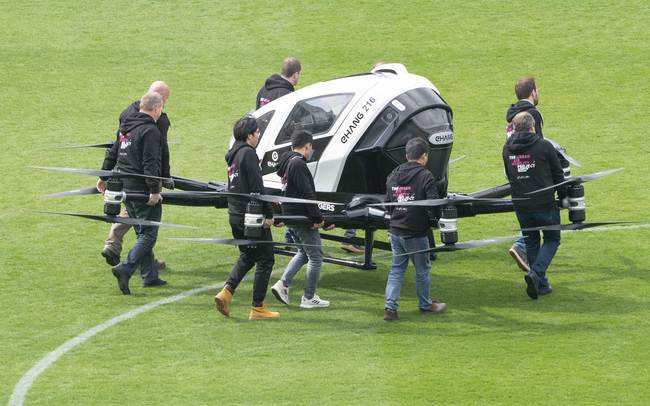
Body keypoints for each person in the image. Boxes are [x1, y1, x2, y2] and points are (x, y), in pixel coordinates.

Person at [97, 91, 167, 294]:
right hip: (140, 188)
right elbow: (150, 163)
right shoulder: (150, 130)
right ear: (156, 109)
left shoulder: (126, 125)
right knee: (149, 234)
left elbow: (114, 151)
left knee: (140, 230)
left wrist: (104, 176)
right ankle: (126, 268)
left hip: (124, 186)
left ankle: (149, 276)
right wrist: (154, 190)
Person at [213, 116, 280, 320]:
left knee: (248, 255)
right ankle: (258, 308)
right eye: (257, 133)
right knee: (266, 258)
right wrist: (268, 214)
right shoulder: (249, 154)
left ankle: (226, 292)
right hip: (251, 216)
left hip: (235, 214)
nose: (258, 136)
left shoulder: (233, 155)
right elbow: (257, 189)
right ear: (249, 135)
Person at [505, 76, 570, 272]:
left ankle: (538, 281)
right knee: (551, 237)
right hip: (537, 181)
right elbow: (537, 147)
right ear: (533, 92)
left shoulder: (511, 116)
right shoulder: (532, 114)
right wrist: (563, 194)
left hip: (517, 175)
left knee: (531, 237)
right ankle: (529, 261)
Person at [503, 112, 566, 299]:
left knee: (530, 240)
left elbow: (509, 176)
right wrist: (563, 198)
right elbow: (558, 175)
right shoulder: (544, 146)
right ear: (533, 127)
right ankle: (536, 274)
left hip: (521, 204)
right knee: (552, 239)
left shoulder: (507, 149)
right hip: (544, 202)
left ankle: (542, 285)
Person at [383, 137, 447, 321]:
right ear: (424, 156)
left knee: (396, 270)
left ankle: (390, 307)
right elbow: (434, 204)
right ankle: (425, 305)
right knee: (422, 270)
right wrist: (434, 221)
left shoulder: (393, 174)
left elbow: (388, 203)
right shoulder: (425, 176)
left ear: (406, 155)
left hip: (395, 230)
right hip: (416, 233)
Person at [270, 130, 330, 309]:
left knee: (303, 253)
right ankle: (308, 297)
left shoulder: (288, 163)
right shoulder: (299, 165)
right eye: (311, 147)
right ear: (307, 146)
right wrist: (317, 217)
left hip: (292, 217)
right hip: (302, 219)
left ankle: (283, 284)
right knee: (316, 257)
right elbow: (307, 194)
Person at [255, 57, 302, 246]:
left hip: (260, 144)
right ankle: (291, 233)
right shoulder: (287, 94)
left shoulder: (264, 89)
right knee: (288, 188)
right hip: (280, 148)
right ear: (296, 73)